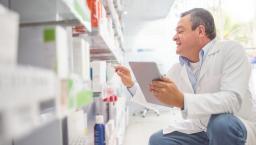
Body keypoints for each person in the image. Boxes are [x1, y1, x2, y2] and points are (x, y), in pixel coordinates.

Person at [115, 8, 256, 145]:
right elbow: (156, 98)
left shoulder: (231, 50)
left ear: (200, 31)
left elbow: (232, 100)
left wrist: (183, 101)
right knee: (158, 140)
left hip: (235, 126)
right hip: (202, 130)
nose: (174, 37)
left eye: (180, 31)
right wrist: (130, 84)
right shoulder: (178, 68)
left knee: (221, 124)